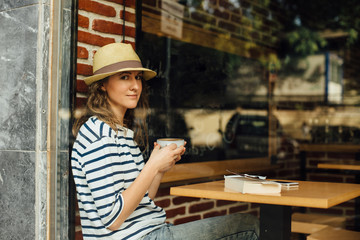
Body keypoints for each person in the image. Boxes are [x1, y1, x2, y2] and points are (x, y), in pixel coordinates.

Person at [71, 43, 259, 240]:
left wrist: (159, 168)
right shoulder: (99, 136)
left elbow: (144, 199)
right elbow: (113, 218)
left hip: (151, 232)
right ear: (102, 84)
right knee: (250, 226)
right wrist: (152, 166)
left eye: (138, 77)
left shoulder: (122, 134)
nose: (135, 86)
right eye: (124, 77)